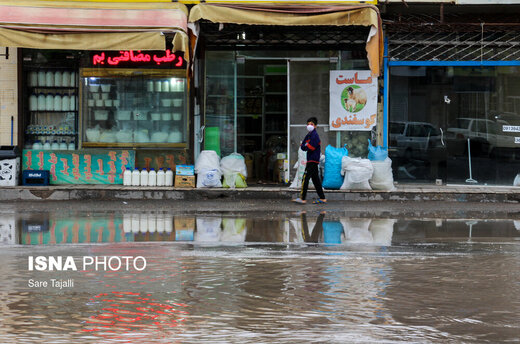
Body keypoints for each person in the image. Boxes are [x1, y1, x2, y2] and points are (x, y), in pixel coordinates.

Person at [292, 117, 327, 204]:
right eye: (308, 124)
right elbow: (303, 146)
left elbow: (311, 147)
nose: (309, 126)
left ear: (315, 126)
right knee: (316, 180)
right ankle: (322, 198)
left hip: (313, 160)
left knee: (305, 178)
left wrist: (306, 145)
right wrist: (306, 145)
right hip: (311, 160)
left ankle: (302, 198)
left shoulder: (315, 135)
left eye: (311, 124)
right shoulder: (309, 135)